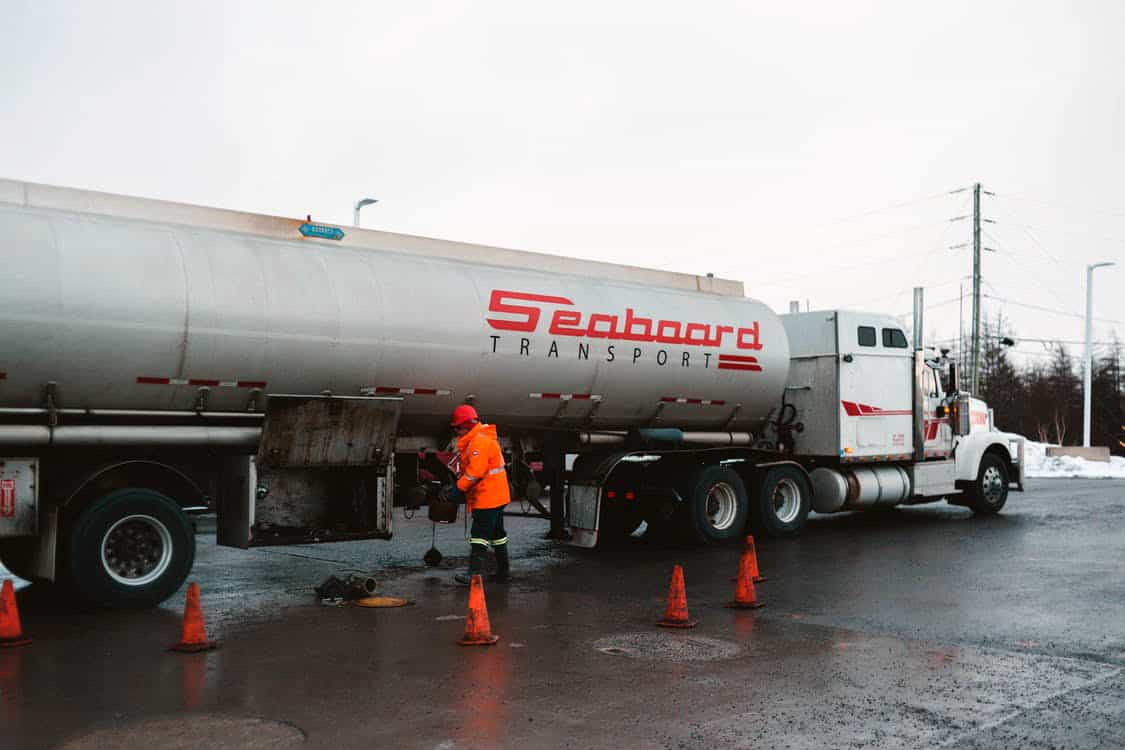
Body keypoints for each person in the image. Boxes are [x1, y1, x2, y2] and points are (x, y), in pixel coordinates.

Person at [449, 404, 511, 585]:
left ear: (466, 425)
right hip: (497, 495)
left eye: (458, 427)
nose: (456, 431)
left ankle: (474, 574)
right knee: (498, 534)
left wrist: (457, 489)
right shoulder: (480, 438)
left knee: (479, 535)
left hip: (488, 497)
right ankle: (503, 570)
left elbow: (474, 473)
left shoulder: (478, 442)